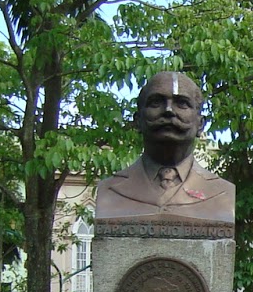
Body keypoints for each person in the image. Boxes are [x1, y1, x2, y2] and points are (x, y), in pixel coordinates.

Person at [95, 71, 236, 223]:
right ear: (138, 121)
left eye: (182, 103)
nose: (168, 110)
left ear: (200, 124)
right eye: (156, 102)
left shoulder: (221, 192)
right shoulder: (110, 190)